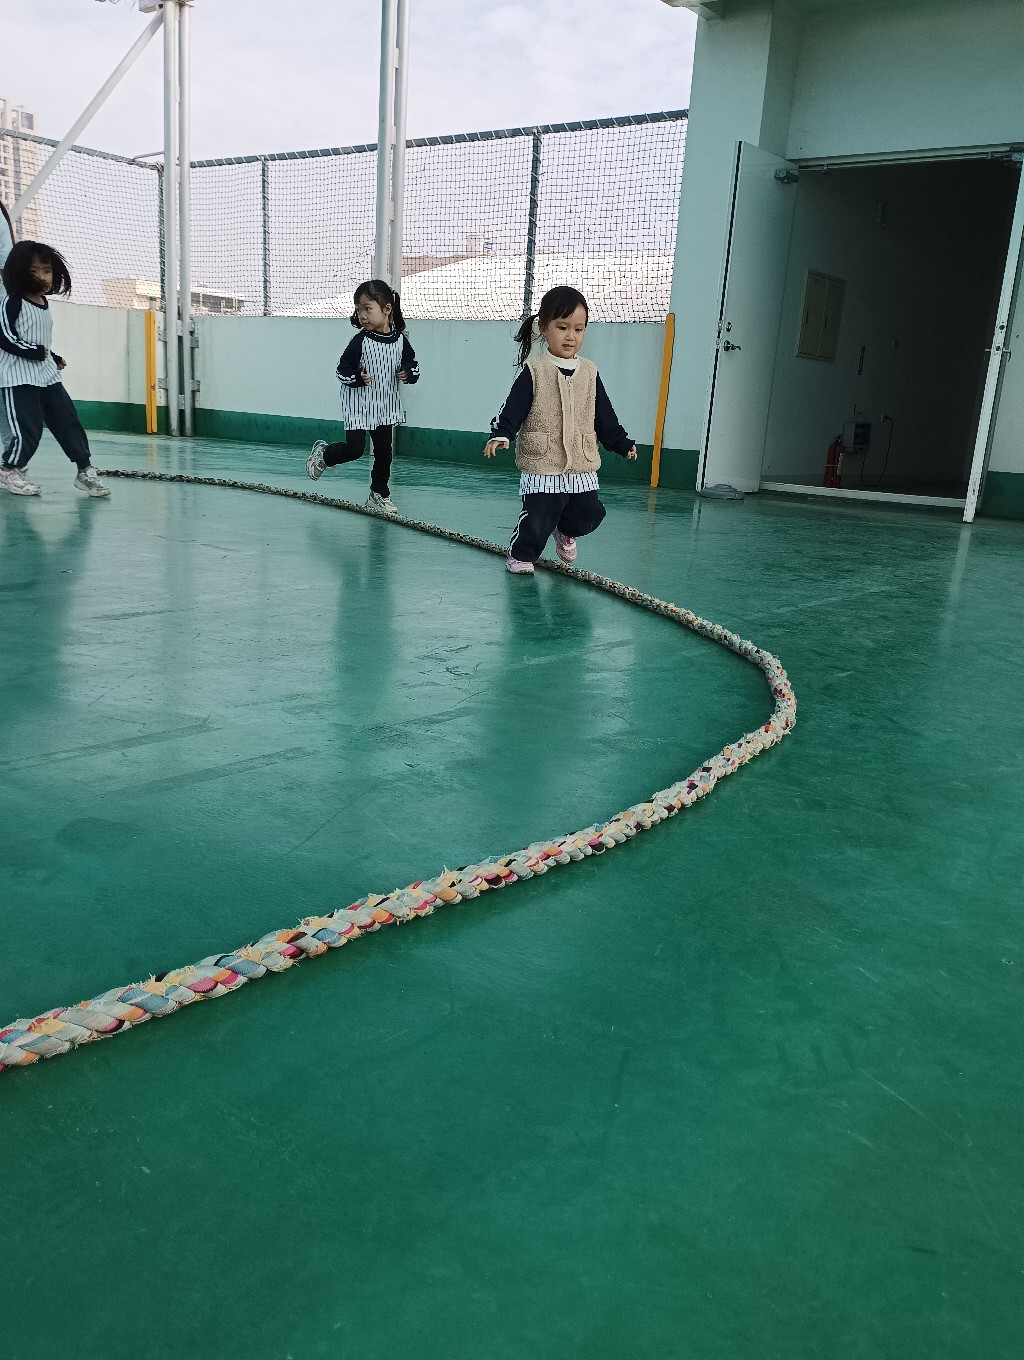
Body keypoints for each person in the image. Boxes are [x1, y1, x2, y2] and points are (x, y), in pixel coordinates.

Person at [484, 285, 637, 574]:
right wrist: (502, 433)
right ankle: (520, 555)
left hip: (580, 461)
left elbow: (604, 414)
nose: (570, 336)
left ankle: (565, 530)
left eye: (578, 329)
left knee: (589, 515)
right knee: (538, 518)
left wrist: (621, 442)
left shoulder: (589, 371)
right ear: (544, 327)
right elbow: (513, 407)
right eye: (562, 327)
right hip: (544, 460)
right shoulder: (535, 370)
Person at [0, 240, 110, 498]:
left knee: (67, 420)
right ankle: (9, 469)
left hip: (47, 376)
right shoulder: (12, 303)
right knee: (27, 428)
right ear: (19, 271)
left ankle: (84, 469)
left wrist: (53, 356)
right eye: (34, 270)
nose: (42, 276)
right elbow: (5, 337)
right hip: (17, 377)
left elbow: (38, 339)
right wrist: (35, 352)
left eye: (47, 270)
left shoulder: (43, 303)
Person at [306, 278, 419, 515]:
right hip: (358, 404)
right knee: (355, 449)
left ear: (387, 309)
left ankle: (379, 495)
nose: (362, 316)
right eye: (359, 310)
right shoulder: (360, 340)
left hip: (384, 405)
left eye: (368, 309)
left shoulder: (400, 341)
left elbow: (413, 366)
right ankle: (324, 455)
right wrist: (357, 377)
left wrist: (408, 373)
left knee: (384, 453)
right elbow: (341, 370)